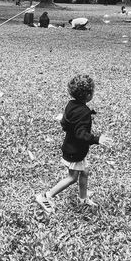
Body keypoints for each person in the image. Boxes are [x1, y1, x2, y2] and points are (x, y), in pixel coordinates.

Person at [35, 74, 111, 213]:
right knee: (72, 178)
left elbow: (65, 122)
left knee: (85, 172)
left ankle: (83, 199)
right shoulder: (83, 112)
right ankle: (46, 196)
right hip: (75, 152)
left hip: (72, 148)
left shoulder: (71, 105)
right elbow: (80, 134)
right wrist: (97, 139)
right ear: (88, 95)